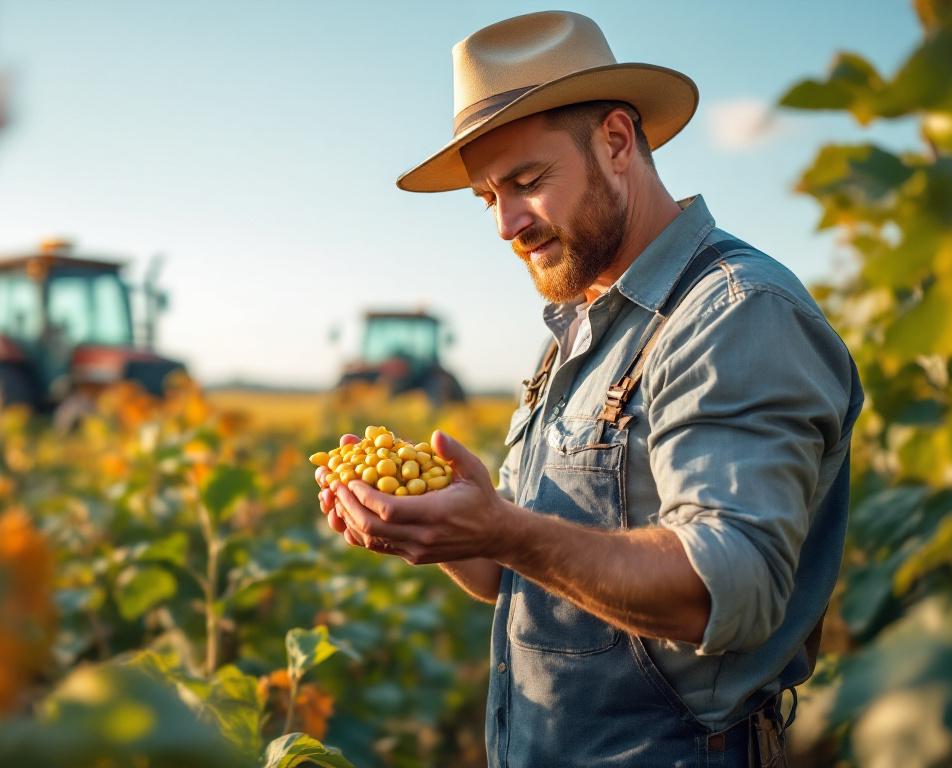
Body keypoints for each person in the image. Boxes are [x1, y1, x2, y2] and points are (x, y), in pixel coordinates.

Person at [315, 10, 864, 767]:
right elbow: (519, 576)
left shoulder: (735, 313)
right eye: (486, 198)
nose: (506, 224)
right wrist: (444, 530)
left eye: (527, 182)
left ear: (614, 142)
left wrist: (505, 529)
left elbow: (725, 587)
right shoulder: (573, 337)